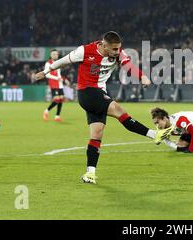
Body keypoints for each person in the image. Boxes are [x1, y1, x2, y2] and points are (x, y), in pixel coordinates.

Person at [35, 31, 162, 184]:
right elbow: (63, 61)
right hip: (87, 92)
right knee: (119, 111)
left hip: (99, 93)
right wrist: (45, 71)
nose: (118, 52)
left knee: (97, 134)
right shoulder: (85, 51)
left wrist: (142, 76)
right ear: (104, 45)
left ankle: (90, 173)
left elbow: (129, 66)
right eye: (114, 49)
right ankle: (153, 134)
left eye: (119, 48)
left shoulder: (118, 53)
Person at [43, 49, 70, 122]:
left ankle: (57, 116)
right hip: (53, 84)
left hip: (60, 84)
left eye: (56, 54)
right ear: (50, 55)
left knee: (61, 99)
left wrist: (64, 79)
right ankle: (46, 111)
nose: (55, 55)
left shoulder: (59, 63)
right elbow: (47, 75)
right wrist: (56, 78)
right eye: (53, 54)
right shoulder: (48, 63)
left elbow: (59, 74)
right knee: (57, 99)